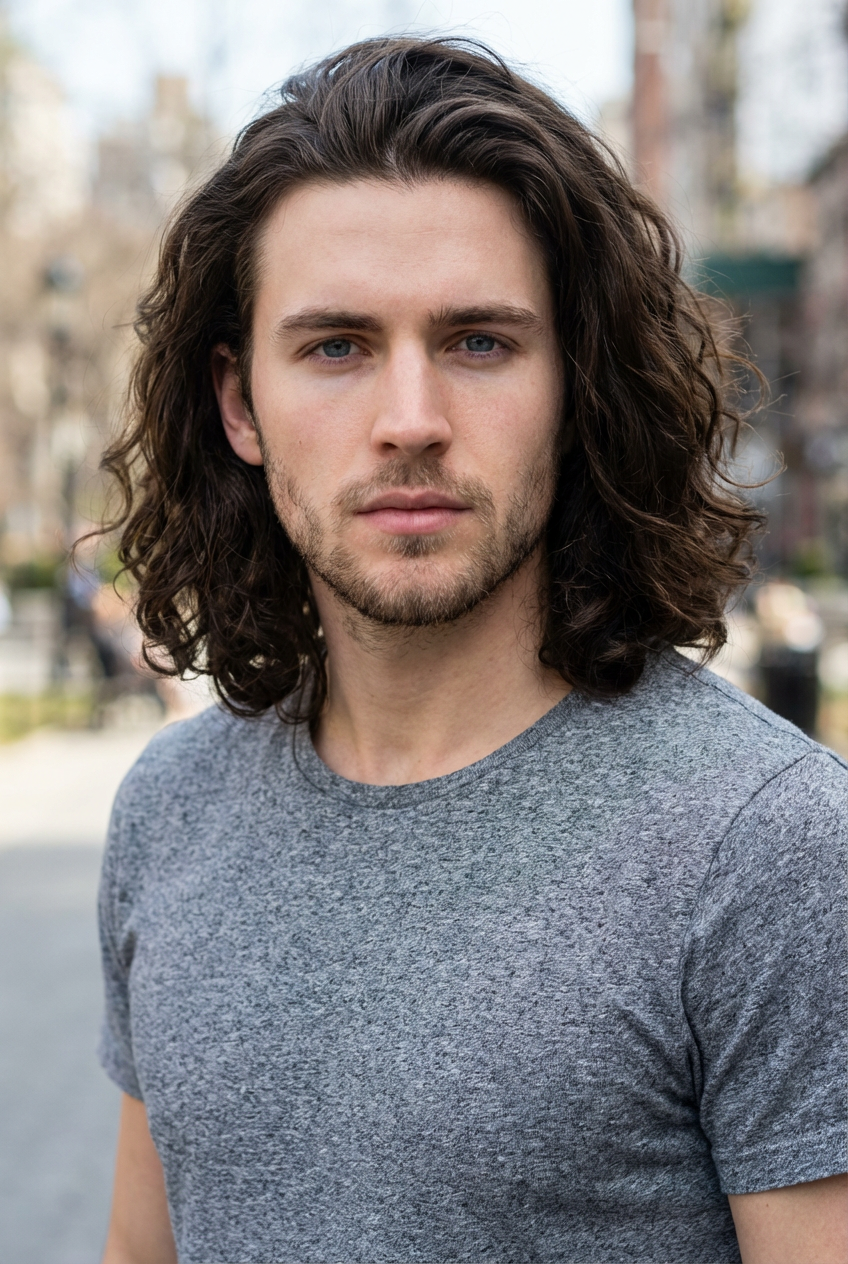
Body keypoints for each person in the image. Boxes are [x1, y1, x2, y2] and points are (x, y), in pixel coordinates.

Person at [96, 37, 846, 1264]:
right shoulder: (168, 809)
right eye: (335, 346)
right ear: (238, 403)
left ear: (574, 383)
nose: (410, 421)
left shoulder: (770, 849)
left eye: (478, 342)